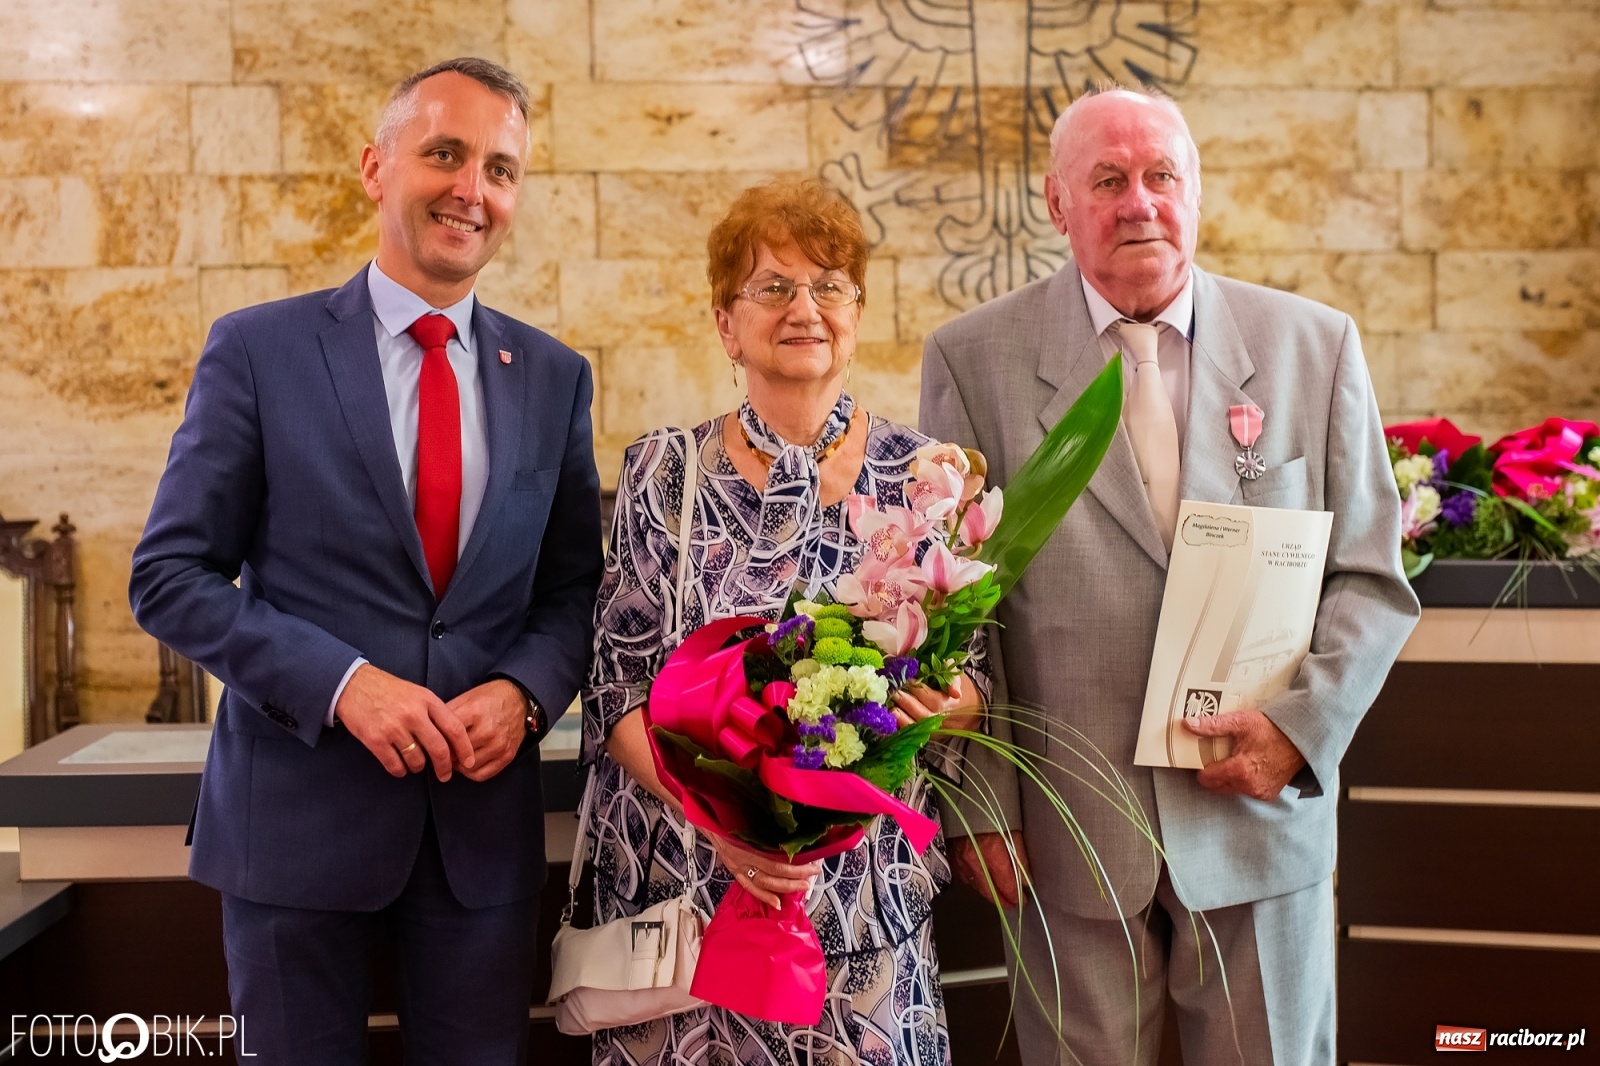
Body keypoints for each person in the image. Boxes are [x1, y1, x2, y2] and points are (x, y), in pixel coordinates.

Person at [920, 87, 1420, 1064]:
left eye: (1161, 177)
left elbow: (1368, 579)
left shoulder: (1312, 349)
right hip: (1065, 835)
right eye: (1106, 180)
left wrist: (1297, 728)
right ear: (1057, 204)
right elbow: (956, 610)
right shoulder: (973, 358)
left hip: (1255, 814)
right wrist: (977, 805)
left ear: (1196, 194)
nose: (1137, 202)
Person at [129, 57, 602, 1064]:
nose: (472, 188)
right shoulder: (259, 351)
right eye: (445, 153)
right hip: (293, 834)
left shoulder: (554, 377)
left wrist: (522, 693)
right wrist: (343, 685)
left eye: (501, 169)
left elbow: (573, 591)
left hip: (479, 847)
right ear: (376, 167)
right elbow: (170, 576)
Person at [582, 178, 985, 1066]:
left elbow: (973, 683)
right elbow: (615, 687)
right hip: (690, 909)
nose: (804, 306)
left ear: (857, 312)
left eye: (829, 284)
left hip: (864, 918)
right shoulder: (664, 472)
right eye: (772, 286)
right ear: (728, 325)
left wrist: (939, 704)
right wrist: (725, 826)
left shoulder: (922, 475)